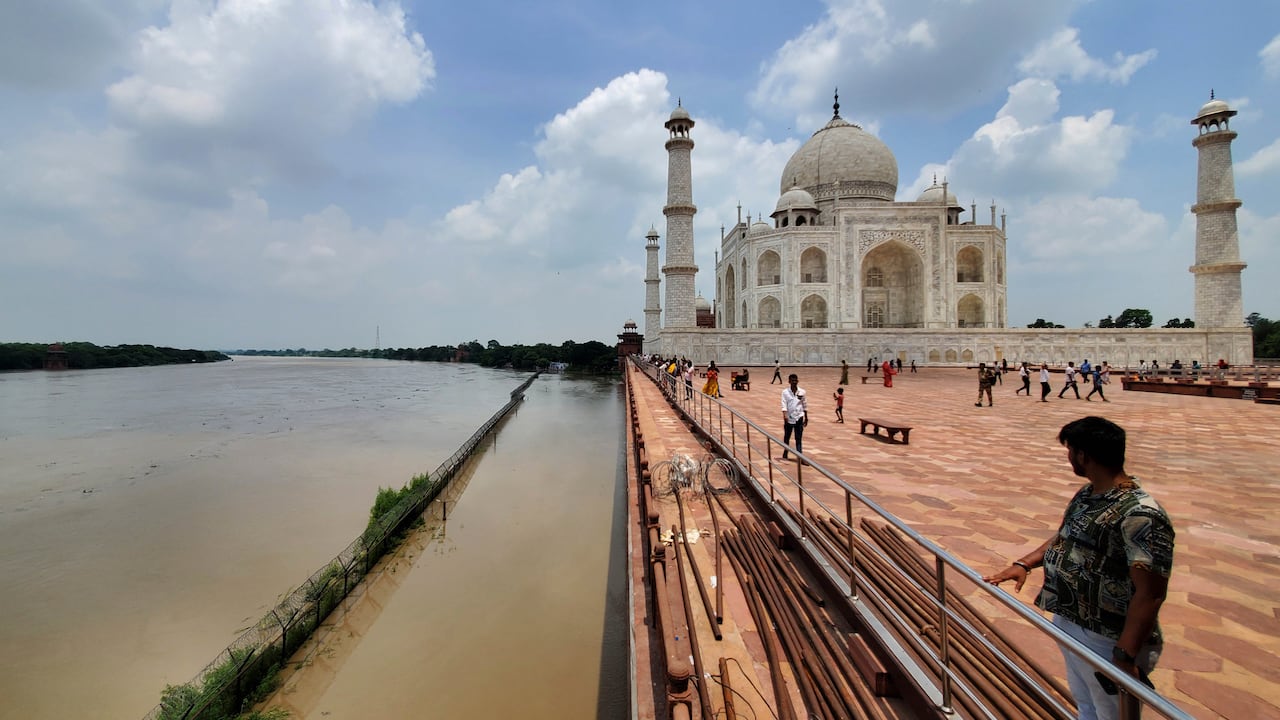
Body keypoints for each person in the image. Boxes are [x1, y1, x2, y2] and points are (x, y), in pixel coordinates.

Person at [983, 416, 1174, 720]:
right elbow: (1068, 535)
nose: (1069, 457)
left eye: (1070, 450)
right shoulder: (1090, 494)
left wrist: (1125, 654)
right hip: (1072, 618)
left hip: (1107, 635)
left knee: (1112, 713)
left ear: (1084, 455)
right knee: (1086, 703)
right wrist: (1025, 563)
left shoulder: (1140, 514)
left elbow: (1150, 593)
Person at [780, 374, 808, 461]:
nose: (794, 382)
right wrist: (785, 414)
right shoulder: (785, 392)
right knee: (787, 436)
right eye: (792, 381)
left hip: (799, 417)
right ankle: (785, 451)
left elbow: (804, 404)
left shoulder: (802, 392)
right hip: (789, 417)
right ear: (789, 381)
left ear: (797, 381)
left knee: (798, 437)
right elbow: (783, 403)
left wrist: (806, 417)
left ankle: (800, 457)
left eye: (795, 381)